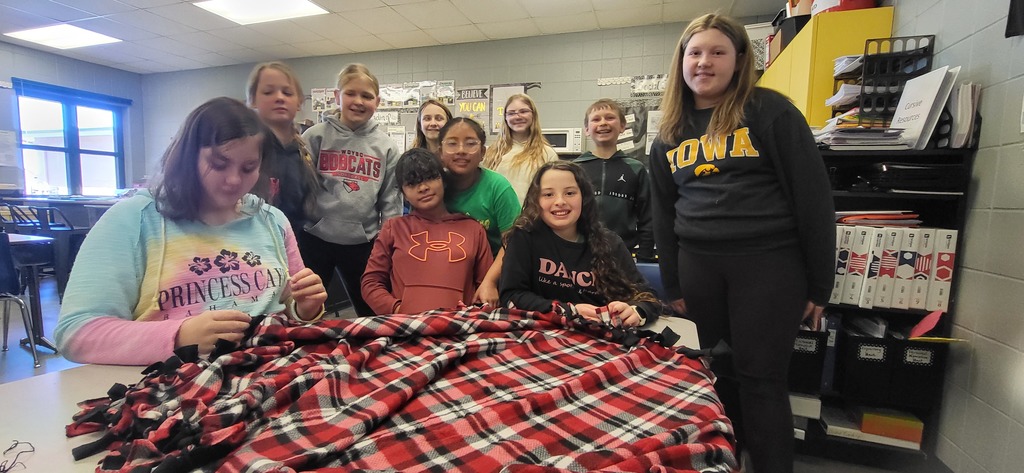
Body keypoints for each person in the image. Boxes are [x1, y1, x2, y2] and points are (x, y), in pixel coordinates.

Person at [648, 14, 836, 473]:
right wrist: (672, 287)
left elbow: (813, 202)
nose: (704, 62)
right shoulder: (669, 132)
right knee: (702, 372)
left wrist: (819, 287)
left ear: (739, 60)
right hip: (698, 267)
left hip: (768, 266)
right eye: (695, 52)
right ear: (681, 61)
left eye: (717, 52)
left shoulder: (770, 113)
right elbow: (663, 216)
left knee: (761, 379)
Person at [54, 97, 328, 366]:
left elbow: (291, 307)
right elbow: (77, 333)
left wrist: (306, 308)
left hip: (271, 371)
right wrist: (179, 336)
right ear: (187, 157)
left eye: (248, 168)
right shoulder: (133, 220)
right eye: (218, 164)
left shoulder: (272, 221)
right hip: (176, 382)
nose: (234, 180)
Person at [499, 161, 660, 327]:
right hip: (540, 332)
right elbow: (511, 296)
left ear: (584, 197)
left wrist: (636, 312)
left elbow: (648, 297)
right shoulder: (524, 237)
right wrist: (569, 310)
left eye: (570, 193)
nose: (560, 201)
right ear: (536, 200)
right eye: (548, 194)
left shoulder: (611, 243)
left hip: (599, 337)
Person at [301, 63, 402, 317]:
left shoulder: (386, 147)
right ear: (338, 96)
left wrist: (387, 244)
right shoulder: (315, 137)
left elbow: (391, 201)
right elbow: (301, 187)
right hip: (315, 237)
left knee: (370, 309)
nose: (358, 101)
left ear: (377, 101)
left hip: (362, 242)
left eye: (367, 96)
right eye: (351, 93)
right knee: (305, 307)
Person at [360, 148, 493, 315]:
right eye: (412, 183)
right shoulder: (393, 228)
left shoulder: (473, 229)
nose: (423, 187)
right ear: (404, 194)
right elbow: (371, 282)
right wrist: (398, 309)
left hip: (459, 329)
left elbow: (487, 286)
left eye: (430, 178)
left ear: (443, 181)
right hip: (405, 328)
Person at [437, 117, 520, 307]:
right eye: (452, 143)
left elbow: (513, 241)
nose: (461, 150)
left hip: (494, 273)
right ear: (440, 152)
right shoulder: (434, 187)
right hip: (449, 273)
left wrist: (489, 282)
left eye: (470, 144)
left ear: (483, 152)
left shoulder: (498, 187)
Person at [245, 61, 321, 263]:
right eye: (268, 92)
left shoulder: (302, 152)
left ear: (298, 102)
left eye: (287, 93)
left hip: (295, 250)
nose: (279, 98)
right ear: (253, 99)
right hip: (253, 251)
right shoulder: (246, 153)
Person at [573, 98, 655, 263]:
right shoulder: (575, 169)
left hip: (622, 255)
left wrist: (645, 256)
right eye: (596, 119)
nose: (603, 123)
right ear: (587, 129)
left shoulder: (636, 169)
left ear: (623, 126)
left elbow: (648, 217)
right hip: (580, 254)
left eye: (610, 117)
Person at [482, 93, 558, 204]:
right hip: (497, 217)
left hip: (531, 217)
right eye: (511, 113)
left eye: (523, 111)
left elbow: (552, 193)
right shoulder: (492, 152)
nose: (518, 117)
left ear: (533, 115)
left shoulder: (547, 154)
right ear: (505, 118)